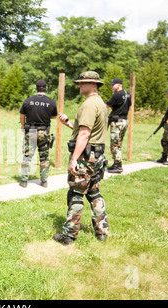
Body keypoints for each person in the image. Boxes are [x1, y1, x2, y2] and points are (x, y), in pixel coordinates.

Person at [53, 71, 109, 245]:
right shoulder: (99, 103)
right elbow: (87, 131)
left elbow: (85, 134)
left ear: (94, 85)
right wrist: (70, 124)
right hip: (97, 155)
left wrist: (74, 159)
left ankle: (69, 236)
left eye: (82, 83)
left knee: (76, 192)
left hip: (86, 157)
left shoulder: (89, 105)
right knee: (93, 191)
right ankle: (102, 232)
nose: (79, 86)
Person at [19, 79, 57, 188]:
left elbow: (22, 115)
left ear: (36, 88)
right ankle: (44, 181)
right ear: (46, 88)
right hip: (44, 133)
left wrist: (22, 126)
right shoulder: (51, 102)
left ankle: (24, 181)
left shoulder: (28, 101)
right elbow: (54, 116)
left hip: (30, 132)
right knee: (44, 158)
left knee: (27, 156)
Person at [105, 78, 131, 173]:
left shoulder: (117, 95)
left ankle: (118, 166)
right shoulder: (128, 94)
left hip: (117, 122)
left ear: (119, 85)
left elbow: (106, 106)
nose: (112, 86)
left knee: (114, 144)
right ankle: (116, 163)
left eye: (113, 85)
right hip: (124, 121)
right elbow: (129, 106)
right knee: (119, 143)